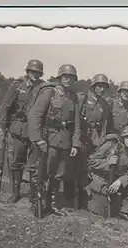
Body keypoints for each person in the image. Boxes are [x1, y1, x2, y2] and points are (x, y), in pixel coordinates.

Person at [26, 63, 82, 215]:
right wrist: (38, 139)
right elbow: (35, 115)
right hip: (48, 139)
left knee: (59, 174)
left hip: (65, 141)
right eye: (65, 76)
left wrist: (75, 144)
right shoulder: (50, 92)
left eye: (71, 77)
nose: (68, 80)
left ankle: (51, 203)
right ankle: (36, 202)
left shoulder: (74, 97)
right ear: (59, 77)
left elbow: (76, 124)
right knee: (42, 173)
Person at [0, 59, 45, 204]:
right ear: (27, 71)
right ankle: (15, 192)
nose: (35, 75)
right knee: (16, 162)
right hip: (19, 128)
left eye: (37, 72)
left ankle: (33, 194)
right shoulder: (17, 86)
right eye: (32, 72)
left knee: (34, 163)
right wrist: (1, 125)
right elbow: (5, 106)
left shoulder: (42, 87)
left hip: (36, 130)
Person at [87, 126, 128, 221]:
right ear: (123, 136)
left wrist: (120, 181)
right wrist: (107, 163)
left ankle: (124, 212)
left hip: (116, 181)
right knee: (100, 213)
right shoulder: (110, 145)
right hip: (102, 180)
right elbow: (92, 161)